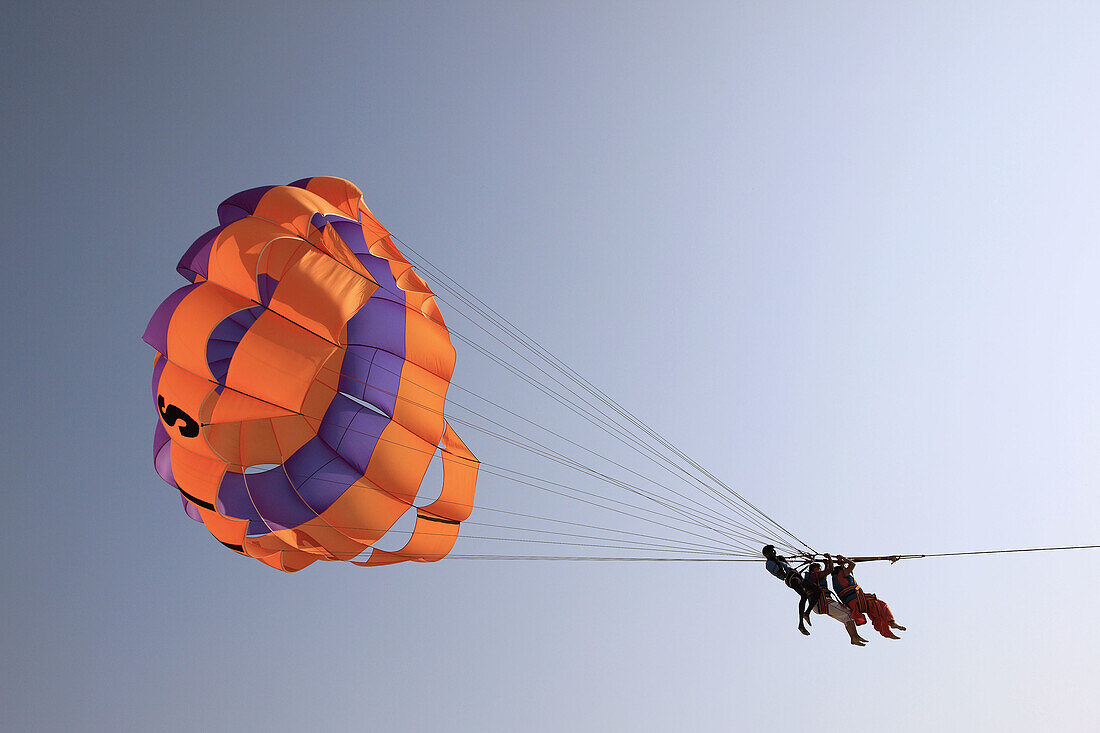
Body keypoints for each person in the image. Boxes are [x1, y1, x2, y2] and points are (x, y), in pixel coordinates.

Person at [831, 555, 906, 640]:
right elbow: (852, 564)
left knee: (876, 615)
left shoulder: (835, 580)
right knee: (882, 605)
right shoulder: (843, 574)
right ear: (841, 570)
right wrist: (843, 558)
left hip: (854, 606)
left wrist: (839, 562)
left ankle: (888, 633)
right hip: (859, 602)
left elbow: (840, 568)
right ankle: (892, 623)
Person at [805, 556, 869, 646]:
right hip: (823, 602)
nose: (820, 570)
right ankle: (854, 637)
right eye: (819, 569)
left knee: (846, 617)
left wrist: (826, 563)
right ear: (814, 569)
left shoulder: (813, 577)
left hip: (819, 605)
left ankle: (854, 637)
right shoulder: (814, 575)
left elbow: (827, 571)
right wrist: (829, 558)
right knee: (848, 614)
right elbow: (830, 570)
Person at [762, 544, 821, 635]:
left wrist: (781, 560)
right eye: (771, 551)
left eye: (774, 551)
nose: (774, 553)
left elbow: (788, 566)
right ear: (766, 554)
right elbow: (782, 572)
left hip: (796, 575)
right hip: (790, 579)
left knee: (817, 590)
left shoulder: (778, 559)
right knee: (804, 596)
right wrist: (777, 561)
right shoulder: (769, 564)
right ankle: (801, 624)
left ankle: (807, 612)